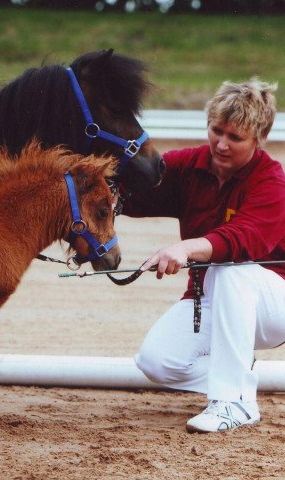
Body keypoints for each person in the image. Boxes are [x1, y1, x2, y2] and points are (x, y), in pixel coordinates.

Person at [124, 77, 285, 433]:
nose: (221, 144)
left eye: (235, 138)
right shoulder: (188, 165)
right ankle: (239, 379)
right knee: (157, 362)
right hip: (213, 296)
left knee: (230, 269)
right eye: (216, 130)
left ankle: (233, 403)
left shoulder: (272, 180)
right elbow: (134, 194)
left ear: (260, 140)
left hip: (273, 305)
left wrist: (184, 247)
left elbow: (244, 240)